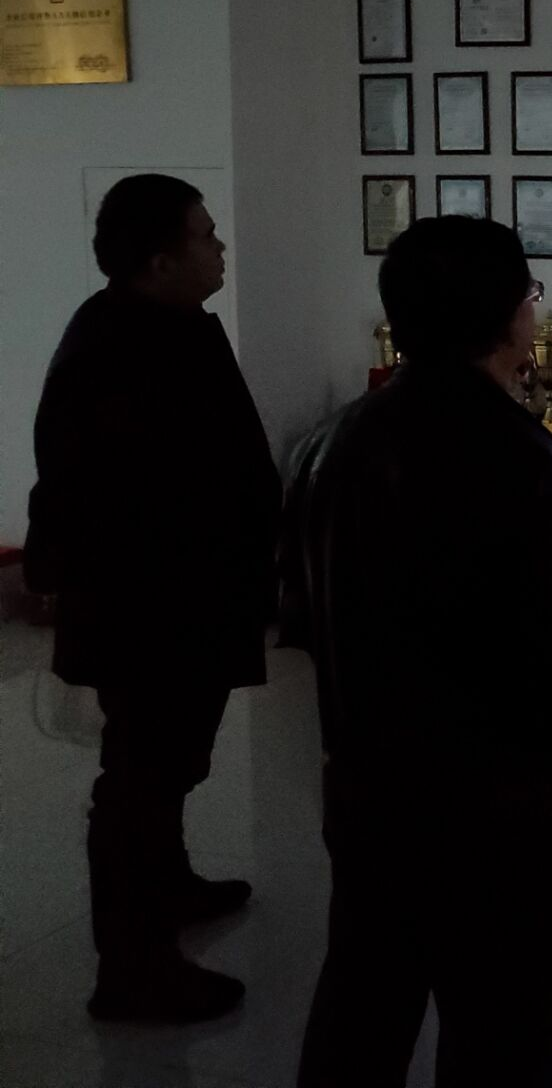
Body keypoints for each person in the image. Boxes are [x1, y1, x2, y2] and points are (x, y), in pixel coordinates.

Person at [284, 217, 552, 1087]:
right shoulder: (524, 460)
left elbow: (305, 617)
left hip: (370, 791)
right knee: (502, 1025)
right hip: (499, 812)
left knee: (362, 1007)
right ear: (506, 317)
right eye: (530, 296)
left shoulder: (330, 443)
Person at [25, 174, 278, 1023]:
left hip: (187, 597)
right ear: (160, 260)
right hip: (151, 607)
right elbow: (119, 498)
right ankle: (132, 967)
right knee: (141, 775)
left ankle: (167, 886)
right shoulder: (117, 349)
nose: (220, 248)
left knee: (169, 764)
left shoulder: (167, 326)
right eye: (205, 235)